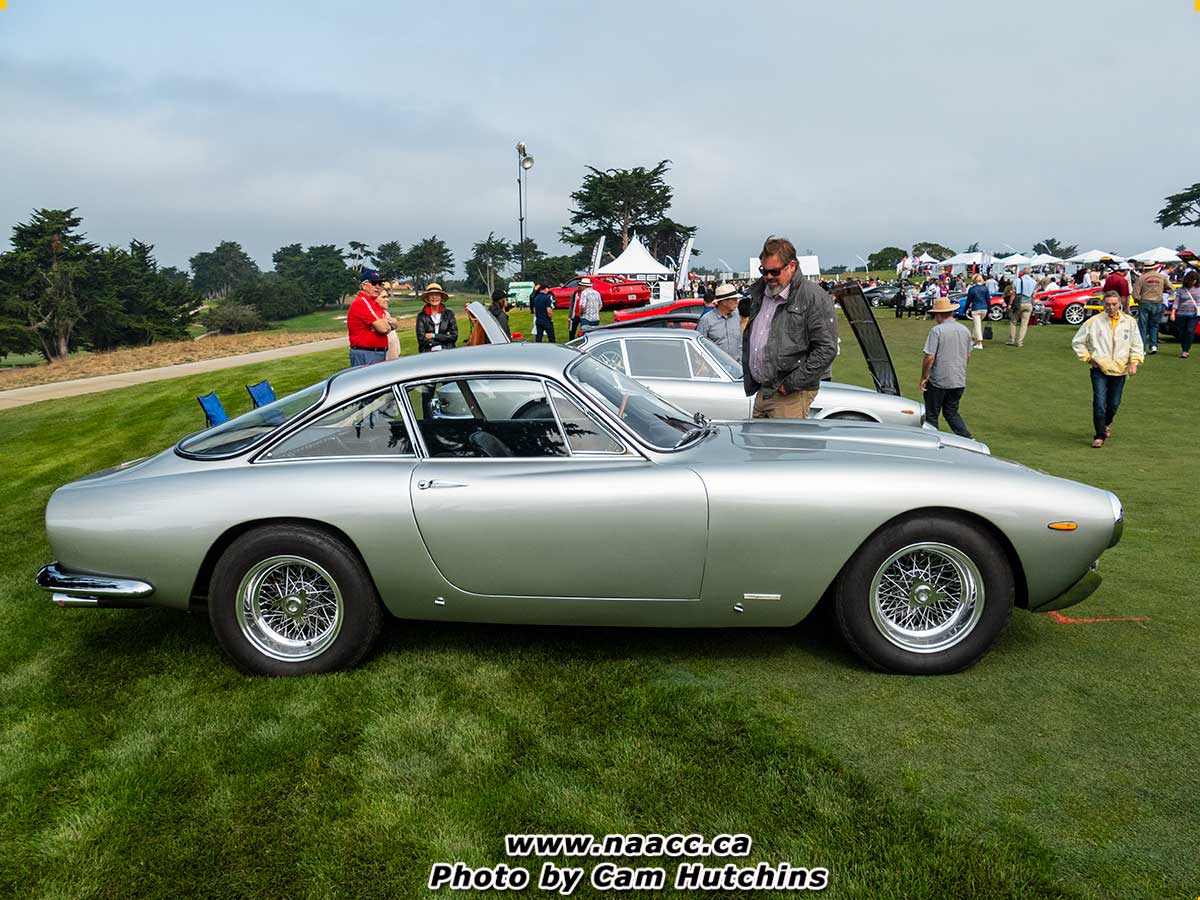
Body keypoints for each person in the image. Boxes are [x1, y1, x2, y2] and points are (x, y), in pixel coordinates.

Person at [739, 236, 838, 418]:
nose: (768, 277)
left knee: (783, 447)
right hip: (763, 390)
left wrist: (790, 385)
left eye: (774, 271)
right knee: (756, 446)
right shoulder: (761, 294)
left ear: (791, 266)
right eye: (764, 271)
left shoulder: (813, 296)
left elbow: (826, 349)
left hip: (790, 395)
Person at [1071, 291, 1143, 448]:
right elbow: (1077, 342)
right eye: (1108, 304)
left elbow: (1136, 344)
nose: (1111, 307)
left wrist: (1134, 362)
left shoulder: (1129, 322)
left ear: (1120, 304)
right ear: (1104, 304)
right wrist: (1088, 358)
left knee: (1114, 403)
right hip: (1100, 369)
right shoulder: (1093, 322)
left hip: (1120, 369)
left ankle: (1107, 422)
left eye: (1114, 304)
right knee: (1099, 402)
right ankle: (1099, 435)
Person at [920, 296, 973, 439]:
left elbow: (929, 357)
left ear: (939, 314)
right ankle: (967, 438)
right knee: (951, 412)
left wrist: (924, 377)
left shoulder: (937, 331)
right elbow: (967, 355)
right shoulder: (965, 330)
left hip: (939, 380)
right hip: (958, 380)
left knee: (932, 414)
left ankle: (929, 441)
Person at [346, 269, 396, 367]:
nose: (378, 286)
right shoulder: (362, 302)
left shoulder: (374, 303)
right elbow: (383, 328)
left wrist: (385, 323)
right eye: (374, 283)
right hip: (367, 353)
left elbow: (394, 323)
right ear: (364, 286)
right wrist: (385, 325)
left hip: (376, 353)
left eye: (380, 283)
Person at [1132, 261, 1171, 355]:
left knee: (1143, 326)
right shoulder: (1162, 277)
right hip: (1158, 303)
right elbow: (1171, 288)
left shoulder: (1141, 278)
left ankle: (1142, 348)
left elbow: (1135, 294)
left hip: (1145, 302)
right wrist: (1162, 291)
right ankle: (1153, 345)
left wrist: (1138, 300)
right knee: (1154, 325)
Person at [696, 282, 742, 361]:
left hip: (736, 368)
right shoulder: (706, 320)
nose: (737, 302)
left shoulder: (736, 316)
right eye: (734, 299)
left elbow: (740, 344)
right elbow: (699, 346)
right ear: (724, 302)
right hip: (716, 368)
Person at [415, 283, 458, 352]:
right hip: (428, 353)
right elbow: (421, 340)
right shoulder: (421, 316)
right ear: (428, 298)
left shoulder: (449, 314)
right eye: (431, 295)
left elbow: (454, 337)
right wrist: (445, 338)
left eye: (437, 295)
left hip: (448, 352)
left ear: (441, 297)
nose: (434, 297)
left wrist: (434, 335)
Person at [1169, 270, 1200, 358]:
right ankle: (1184, 347)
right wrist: (1173, 312)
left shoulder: (1199, 289)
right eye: (1192, 280)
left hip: (1194, 314)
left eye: (1196, 280)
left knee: (1190, 331)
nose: (1194, 281)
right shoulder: (1181, 290)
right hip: (1182, 313)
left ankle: (1185, 350)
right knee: (1182, 332)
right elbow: (1176, 301)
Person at [1009, 268, 1037, 347]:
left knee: (1013, 321)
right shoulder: (1034, 282)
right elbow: (1034, 296)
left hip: (1019, 303)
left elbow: (1013, 294)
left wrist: (1010, 304)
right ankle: (1020, 342)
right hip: (1028, 304)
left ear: (1022, 273)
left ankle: (1011, 340)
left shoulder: (1017, 281)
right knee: (1024, 324)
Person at [966, 273, 990, 349]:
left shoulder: (972, 289)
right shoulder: (985, 288)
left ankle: (980, 343)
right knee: (977, 325)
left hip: (976, 308)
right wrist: (989, 310)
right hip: (984, 308)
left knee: (977, 325)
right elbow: (988, 300)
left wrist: (965, 309)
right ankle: (972, 340)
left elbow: (968, 301)